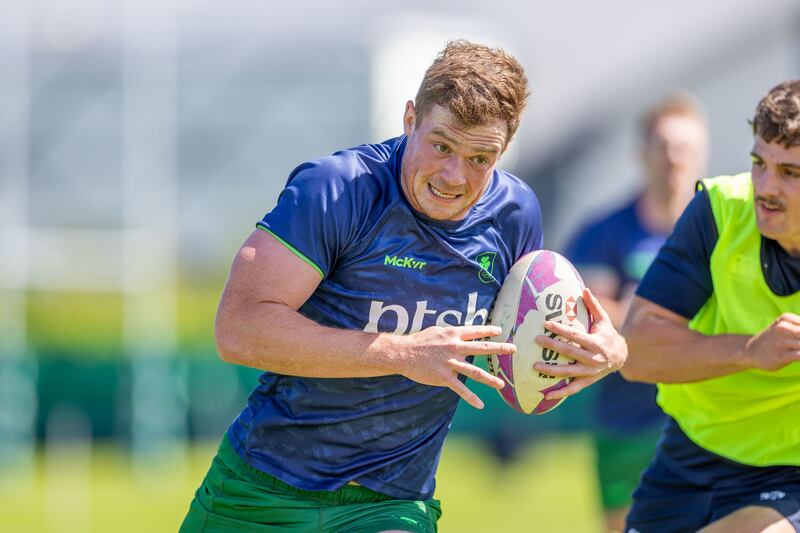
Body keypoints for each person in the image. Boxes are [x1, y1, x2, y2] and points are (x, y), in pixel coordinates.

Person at [180, 40, 627, 533]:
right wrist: (401, 353)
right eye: (441, 146)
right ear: (410, 118)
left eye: (482, 158)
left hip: (392, 503)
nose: (455, 176)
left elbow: (524, 348)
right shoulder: (337, 190)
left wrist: (601, 351)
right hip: (262, 488)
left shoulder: (514, 215)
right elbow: (238, 329)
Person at [612, 80, 800, 532]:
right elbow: (635, 352)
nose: (766, 187)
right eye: (759, 164)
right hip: (687, 458)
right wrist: (749, 351)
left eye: (791, 172)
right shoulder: (720, 210)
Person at [564, 94, 709, 532]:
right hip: (626, 420)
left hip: (703, 418)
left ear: (699, 156)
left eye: (684, 149)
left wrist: (639, 314)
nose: (673, 160)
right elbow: (586, 312)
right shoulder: (604, 231)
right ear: (641, 154)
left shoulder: (723, 231)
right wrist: (671, 314)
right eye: (663, 147)